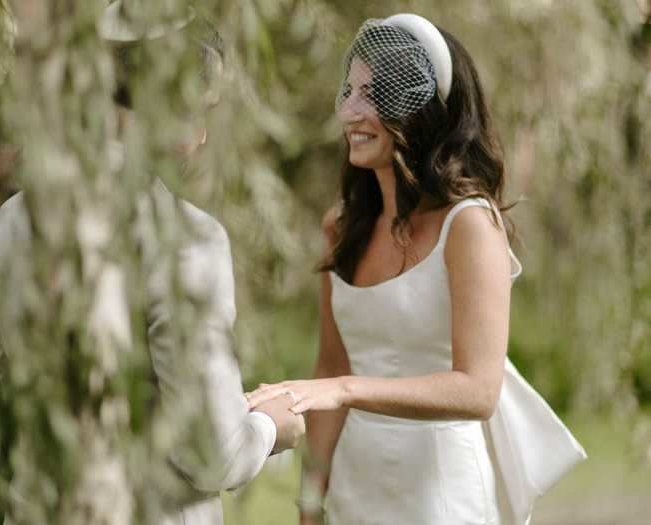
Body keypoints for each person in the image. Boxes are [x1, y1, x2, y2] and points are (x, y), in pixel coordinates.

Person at [246, 14, 586, 525]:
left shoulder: (470, 225)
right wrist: (311, 500)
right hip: (354, 492)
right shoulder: (342, 227)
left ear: (420, 111)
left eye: (372, 96)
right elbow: (329, 364)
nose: (349, 112)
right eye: (350, 91)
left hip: (443, 498)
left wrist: (346, 388)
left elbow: (477, 390)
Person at [0, 2, 304, 524]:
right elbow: (211, 453)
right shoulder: (185, 239)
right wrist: (270, 428)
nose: (200, 138)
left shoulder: (8, 224)